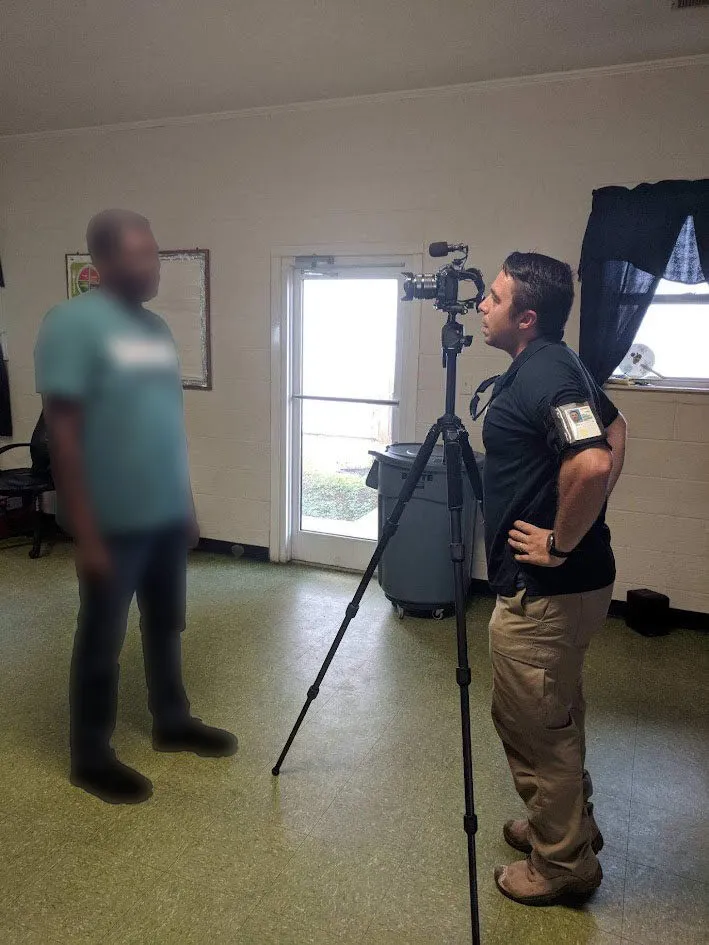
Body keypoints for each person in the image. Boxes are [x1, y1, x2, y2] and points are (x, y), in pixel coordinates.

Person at [35, 209, 238, 805]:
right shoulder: (70, 323)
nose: (153, 266)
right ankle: (89, 756)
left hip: (163, 513)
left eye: (155, 253)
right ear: (102, 261)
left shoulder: (154, 329)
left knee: (166, 622)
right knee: (101, 636)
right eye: (139, 255)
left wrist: (189, 504)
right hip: (111, 518)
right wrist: (87, 533)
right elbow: (63, 432)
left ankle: (170, 722)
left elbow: (167, 424)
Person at [476, 252, 627, 906]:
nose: (481, 303)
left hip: (547, 596)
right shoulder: (560, 367)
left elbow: (591, 462)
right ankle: (567, 826)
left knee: (535, 728)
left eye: (494, 295)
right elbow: (616, 428)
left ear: (526, 317)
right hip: (575, 590)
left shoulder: (544, 375)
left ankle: (562, 864)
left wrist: (560, 540)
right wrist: (581, 531)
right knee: (555, 712)